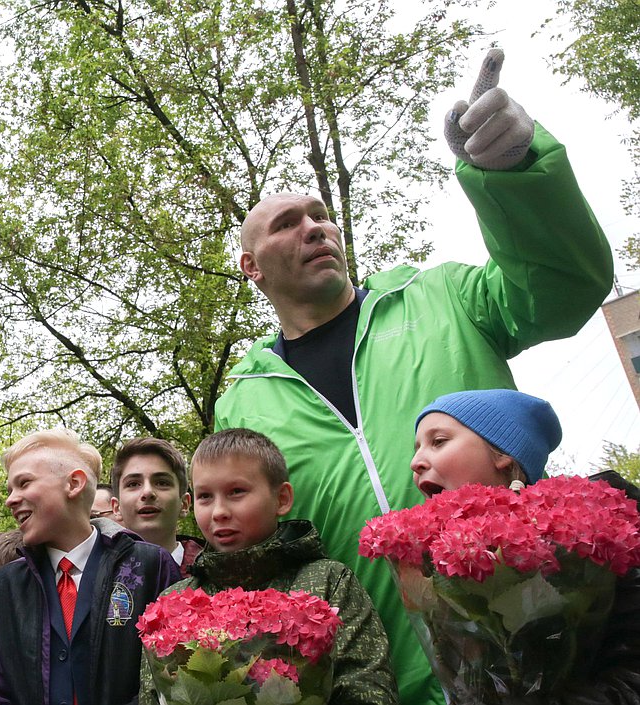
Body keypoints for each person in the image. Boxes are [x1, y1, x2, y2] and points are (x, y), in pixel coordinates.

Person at [211, 48, 613, 705]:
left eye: (320, 214)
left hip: (539, 661)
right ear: (251, 267)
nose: (314, 226)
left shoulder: (443, 296)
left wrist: (515, 172)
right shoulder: (244, 405)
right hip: (376, 681)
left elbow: (567, 288)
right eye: (287, 224)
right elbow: (264, 553)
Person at [411, 388, 640, 703]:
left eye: (439, 442)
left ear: (502, 453)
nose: (416, 462)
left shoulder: (602, 529)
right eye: (417, 447)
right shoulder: (443, 567)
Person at [141, 429, 397, 705]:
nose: (218, 511)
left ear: (282, 499)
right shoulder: (175, 601)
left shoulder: (329, 582)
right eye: (205, 497)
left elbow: (368, 688)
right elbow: (153, 694)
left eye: (236, 492)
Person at [0, 427, 181, 705]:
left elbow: (174, 680)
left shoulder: (149, 566)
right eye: (10, 489)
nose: (10, 499)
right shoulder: (5, 586)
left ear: (74, 483)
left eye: (24, 483)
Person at [111, 437, 204, 571]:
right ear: (116, 508)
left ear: (184, 504)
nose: (148, 492)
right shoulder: (94, 578)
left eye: (162, 483)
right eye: (133, 484)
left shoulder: (219, 576)